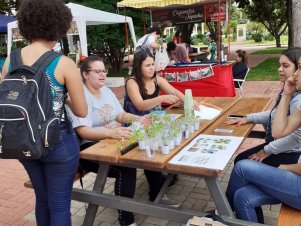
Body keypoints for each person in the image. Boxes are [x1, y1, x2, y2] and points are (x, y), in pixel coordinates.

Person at [1, 0, 88, 225]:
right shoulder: (63, 63)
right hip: (57, 140)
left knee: (42, 199)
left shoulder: (12, 58)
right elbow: (81, 110)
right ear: (58, 26)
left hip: (23, 139)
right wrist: (62, 97)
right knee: (59, 205)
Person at [225, 48, 301, 223]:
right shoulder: (291, 93)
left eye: (294, 67)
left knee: (242, 165)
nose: (294, 73)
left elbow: (293, 137)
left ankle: (224, 213)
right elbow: (277, 126)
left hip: (291, 160)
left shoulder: (298, 98)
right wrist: (248, 118)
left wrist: (272, 157)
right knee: (242, 195)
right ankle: (229, 211)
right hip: (292, 164)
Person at [66, 56, 143, 226]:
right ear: (85, 74)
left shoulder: (106, 91)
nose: (102, 75)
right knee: (126, 168)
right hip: (88, 150)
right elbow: (83, 131)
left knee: (141, 152)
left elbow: (120, 115)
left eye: (104, 71)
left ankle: (156, 192)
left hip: (111, 142)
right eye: (97, 71)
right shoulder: (79, 96)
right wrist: (111, 132)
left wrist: (137, 119)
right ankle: (126, 219)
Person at [124, 50, 199, 205]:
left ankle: (167, 177)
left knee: (175, 135)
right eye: (147, 65)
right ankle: (156, 194)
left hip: (154, 121)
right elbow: (140, 104)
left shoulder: (156, 78)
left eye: (153, 64)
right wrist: (162, 97)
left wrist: (188, 101)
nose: (152, 68)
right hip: (136, 124)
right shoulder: (132, 82)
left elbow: (173, 91)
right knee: (150, 151)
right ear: (138, 67)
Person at [225, 47, 301, 167]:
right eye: (279, 65)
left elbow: (296, 138)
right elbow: (274, 114)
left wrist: (266, 150)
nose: (279, 69)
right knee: (240, 160)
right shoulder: (289, 91)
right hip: (279, 146)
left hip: (291, 152)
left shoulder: (297, 99)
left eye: (285, 66)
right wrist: (248, 118)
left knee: (242, 162)